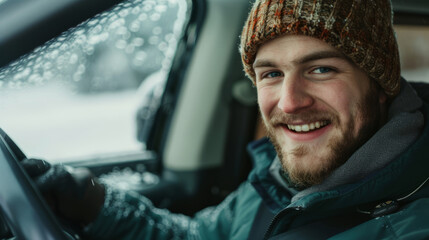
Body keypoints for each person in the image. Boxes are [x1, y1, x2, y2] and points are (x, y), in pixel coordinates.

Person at [22, 0, 429, 239]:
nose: (288, 103)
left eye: (321, 69)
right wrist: (93, 202)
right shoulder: (274, 182)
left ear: (381, 84)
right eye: (270, 74)